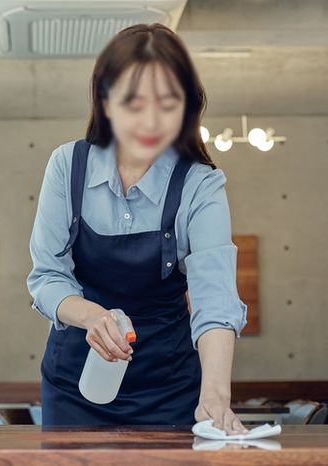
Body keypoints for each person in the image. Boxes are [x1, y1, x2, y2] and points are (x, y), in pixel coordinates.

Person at [27, 23, 248, 434]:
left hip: (169, 387)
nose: (150, 121)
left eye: (167, 103)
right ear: (106, 100)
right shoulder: (67, 166)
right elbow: (47, 277)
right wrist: (94, 317)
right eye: (134, 102)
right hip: (77, 384)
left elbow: (214, 298)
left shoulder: (200, 183)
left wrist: (215, 396)